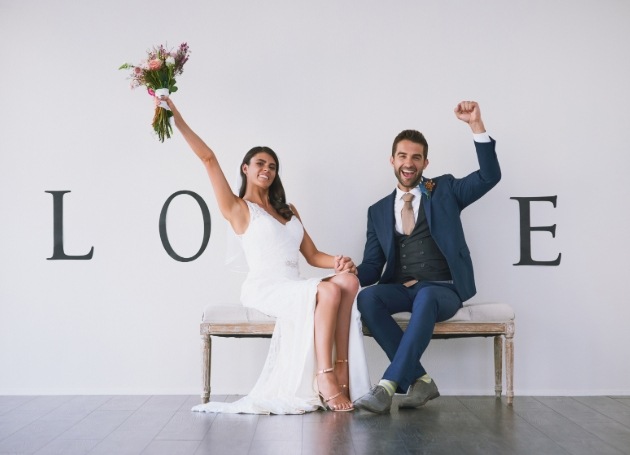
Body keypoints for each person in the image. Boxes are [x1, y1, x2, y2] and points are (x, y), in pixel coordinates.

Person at [159, 96, 371, 414]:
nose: (267, 170)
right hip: (265, 286)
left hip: (293, 283)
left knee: (348, 282)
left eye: (272, 166)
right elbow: (208, 159)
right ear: (246, 168)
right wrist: (175, 115)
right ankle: (325, 376)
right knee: (326, 290)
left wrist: (339, 262)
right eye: (260, 164)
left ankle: (342, 369)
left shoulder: (289, 211)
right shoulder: (238, 208)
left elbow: (312, 255)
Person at [353, 101, 501, 413]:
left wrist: (476, 125)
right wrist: (348, 274)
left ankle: (387, 386)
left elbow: (489, 176)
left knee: (427, 295)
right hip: (400, 287)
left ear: (425, 162)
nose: (409, 163)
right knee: (367, 299)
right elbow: (372, 265)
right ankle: (421, 380)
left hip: (443, 289)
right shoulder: (377, 210)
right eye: (403, 156)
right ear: (392, 160)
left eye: (416, 158)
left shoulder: (445, 190)